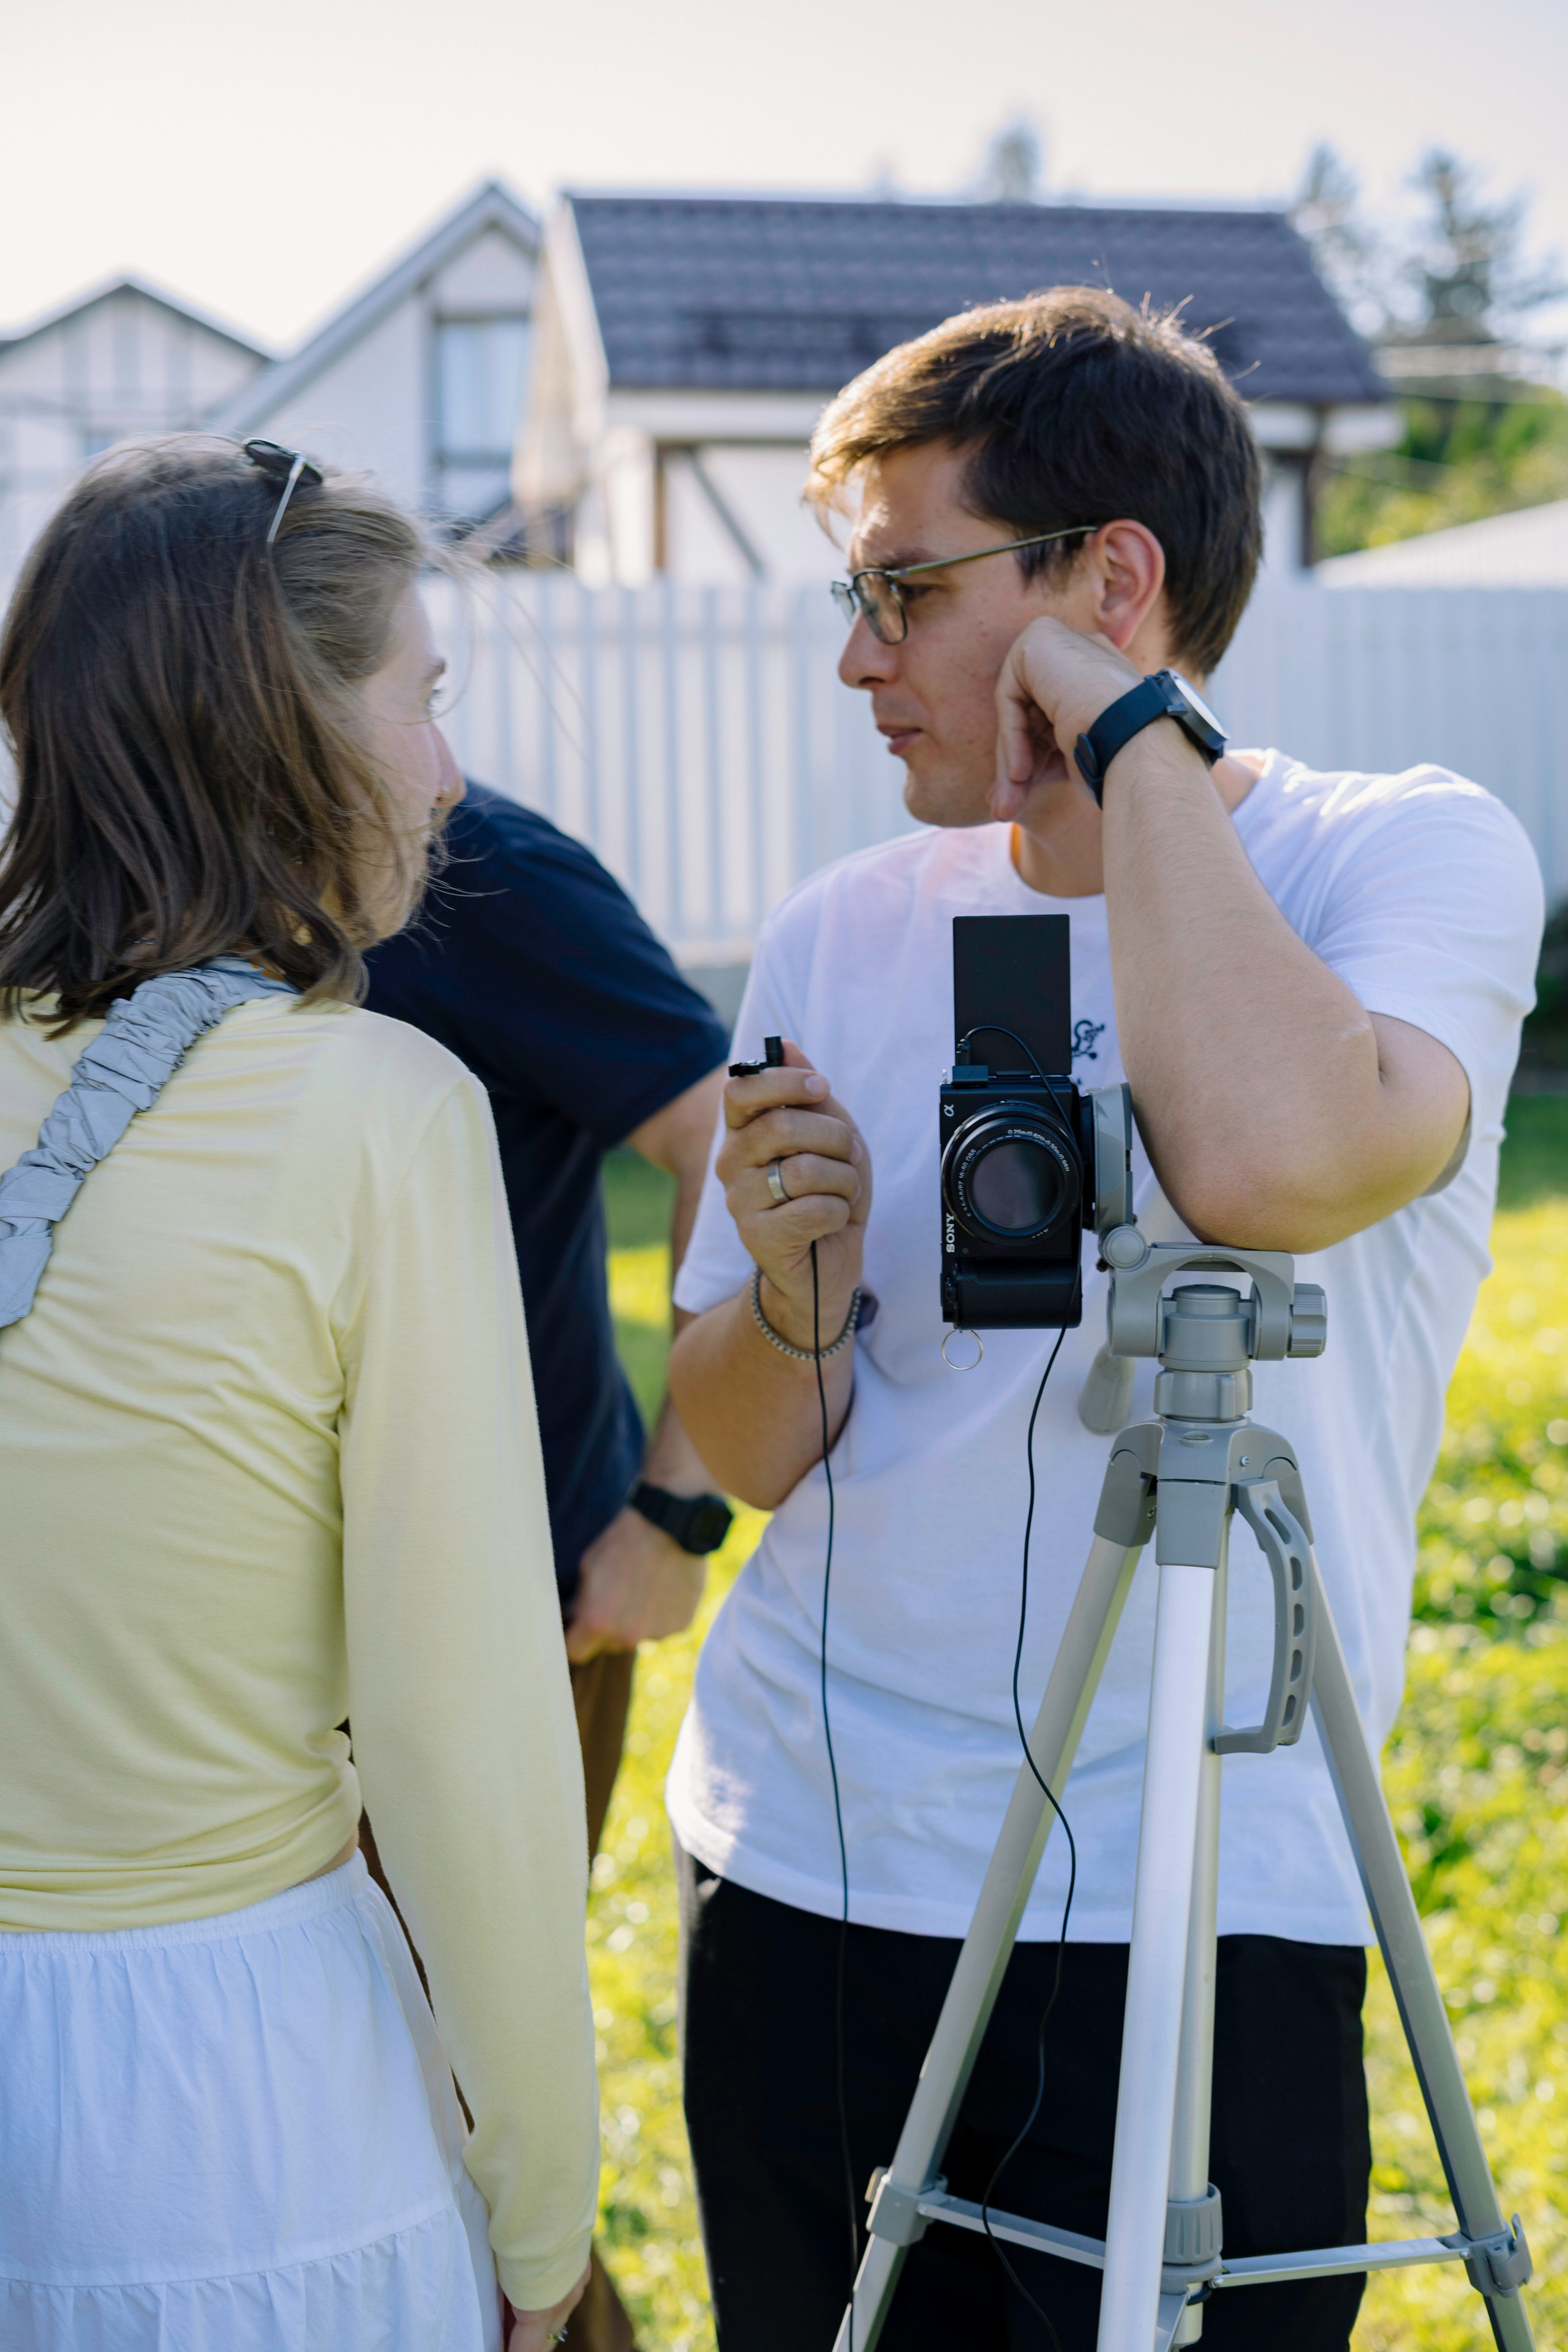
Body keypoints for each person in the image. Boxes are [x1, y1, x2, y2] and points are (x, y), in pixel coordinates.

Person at [664, 290, 1544, 2351]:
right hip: (808, 1864)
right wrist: (791, 1292)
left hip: (1202, 1888)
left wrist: (1119, 734)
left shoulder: (1398, 857)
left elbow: (1267, 1158)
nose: (857, 659)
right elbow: (740, 1438)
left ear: (1111, 578)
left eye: (904, 588)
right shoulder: (838, 925)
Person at [0, 439, 598, 2352]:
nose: (442, 771)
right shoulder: (381, 1115)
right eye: (421, 702)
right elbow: (470, 1749)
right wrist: (547, 2214)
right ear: (281, 734)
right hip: (237, 2120)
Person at [364, 784, 729, 2352]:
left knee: (463, 2098)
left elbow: (722, 1136)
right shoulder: (155, 892)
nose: (439, 751)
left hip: (512, 1610)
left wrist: (675, 1509)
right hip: (251, 1639)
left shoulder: (475, 866)